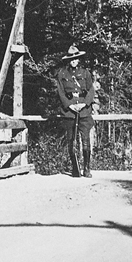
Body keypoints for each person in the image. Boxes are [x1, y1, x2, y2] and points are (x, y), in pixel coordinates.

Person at [55, 44, 95, 178]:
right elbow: (60, 92)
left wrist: (85, 103)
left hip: (84, 111)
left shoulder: (85, 73)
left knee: (85, 141)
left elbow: (91, 90)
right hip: (70, 112)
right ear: (68, 60)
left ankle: (87, 168)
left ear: (79, 59)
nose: (74, 61)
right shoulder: (62, 74)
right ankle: (75, 168)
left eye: (76, 58)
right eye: (71, 58)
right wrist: (69, 105)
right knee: (71, 141)